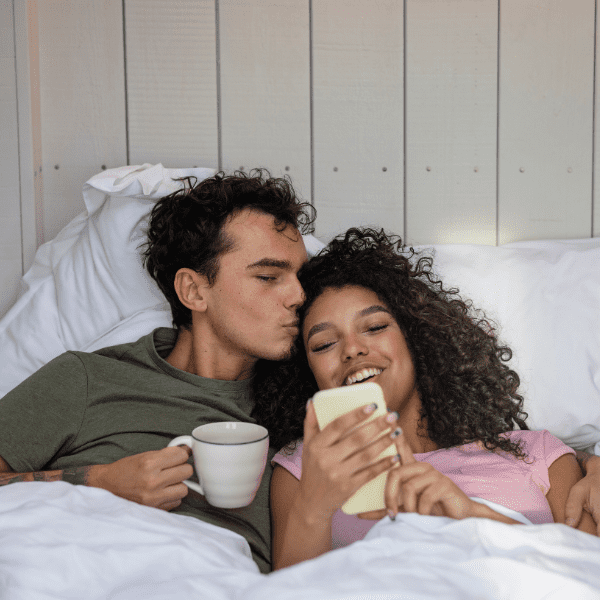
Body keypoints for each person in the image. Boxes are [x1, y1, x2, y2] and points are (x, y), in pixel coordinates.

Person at [0, 169, 315, 574]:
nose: (299, 296)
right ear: (194, 291)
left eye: (300, 277)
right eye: (268, 277)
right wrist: (97, 483)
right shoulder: (88, 379)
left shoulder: (303, 410)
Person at [268, 227, 600, 570]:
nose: (352, 349)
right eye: (323, 344)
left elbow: (588, 575)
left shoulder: (539, 456)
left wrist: (472, 517)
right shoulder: (303, 466)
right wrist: (314, 507)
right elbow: (287, 589)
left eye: (375, 327)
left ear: (417, 339)